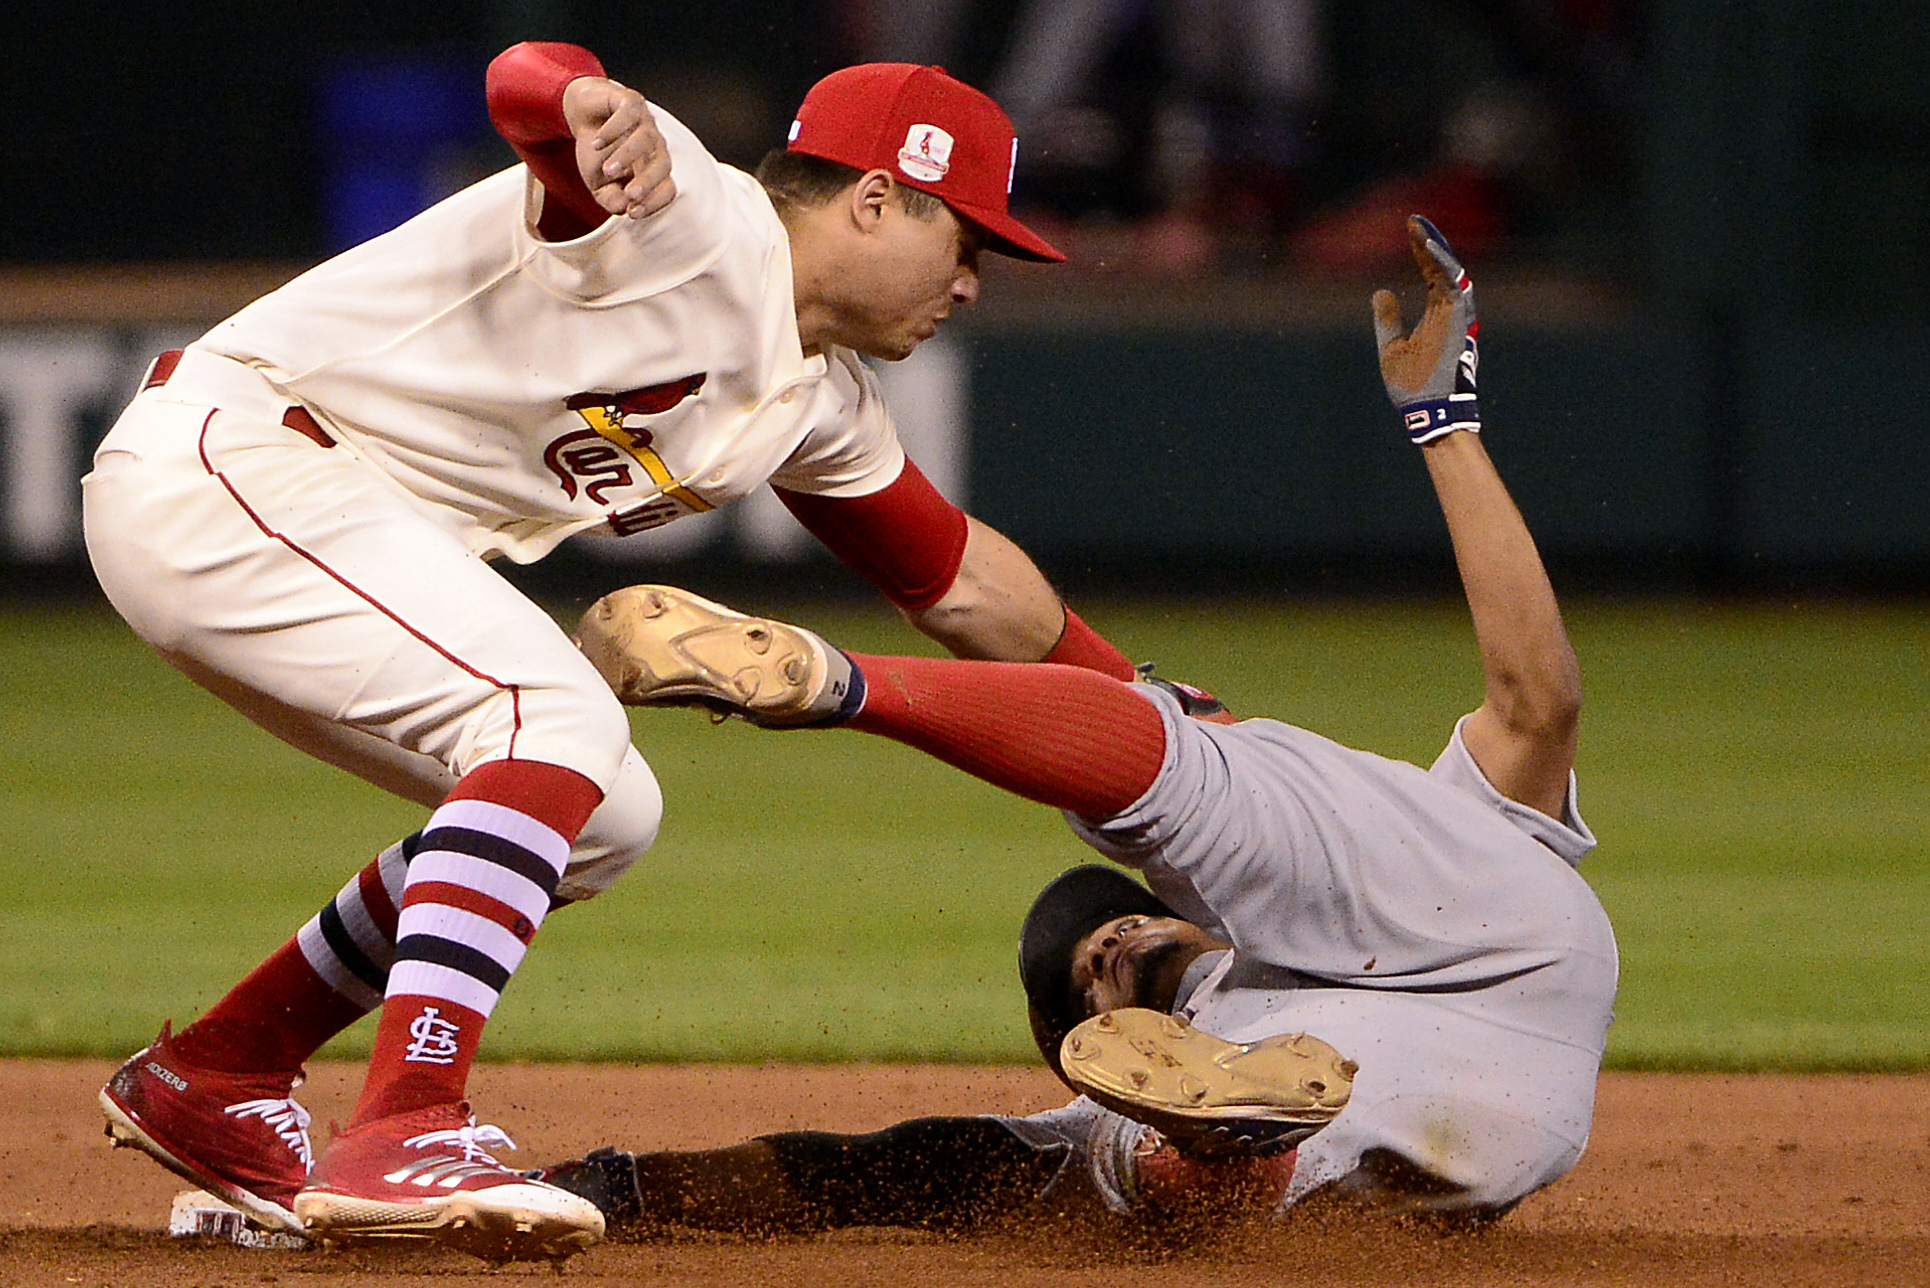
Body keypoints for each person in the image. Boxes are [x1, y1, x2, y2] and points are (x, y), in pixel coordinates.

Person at [83, 40, 1139, 1264]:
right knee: (556, 722)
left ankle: (216, 1071)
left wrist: (1156, 707)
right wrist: (580, 97)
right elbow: (532, 86)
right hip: (236, 458)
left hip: (314, 514)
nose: (970, 283)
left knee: (604, 811)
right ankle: (407, 1124)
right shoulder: (688, 214)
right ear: (874, 197)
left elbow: (956, 582)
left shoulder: (817, 398)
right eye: (964, 242)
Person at [556, 217, 1618, 1232]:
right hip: (1441, 1114)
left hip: (1470, 927)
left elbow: (1539, 699)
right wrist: (619, 1187)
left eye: (1111, 933)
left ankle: (837, 683)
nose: (1104, 947)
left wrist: (1447, 429)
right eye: (1086, 979)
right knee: (1110, 1160)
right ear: (1084, 1036)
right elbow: (876, 1167)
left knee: (1191, 752)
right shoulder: (1195, 1046)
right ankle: (1213, 1156)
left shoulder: (1372, 861)